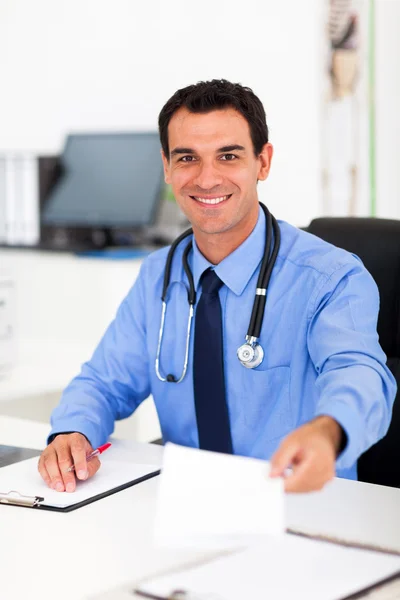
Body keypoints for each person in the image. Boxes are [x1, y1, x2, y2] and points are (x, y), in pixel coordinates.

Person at [38, 79, 396, 495]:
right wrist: (72, 432)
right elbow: (103, 382)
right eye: (187, 157)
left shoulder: (330, 277)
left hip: (300, 505)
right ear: (167, 167)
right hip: (189, 504)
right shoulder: (159, 274)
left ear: (263, 162)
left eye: (228, 156)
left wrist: (327, 430)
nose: (207, 179)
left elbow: (360, 374)